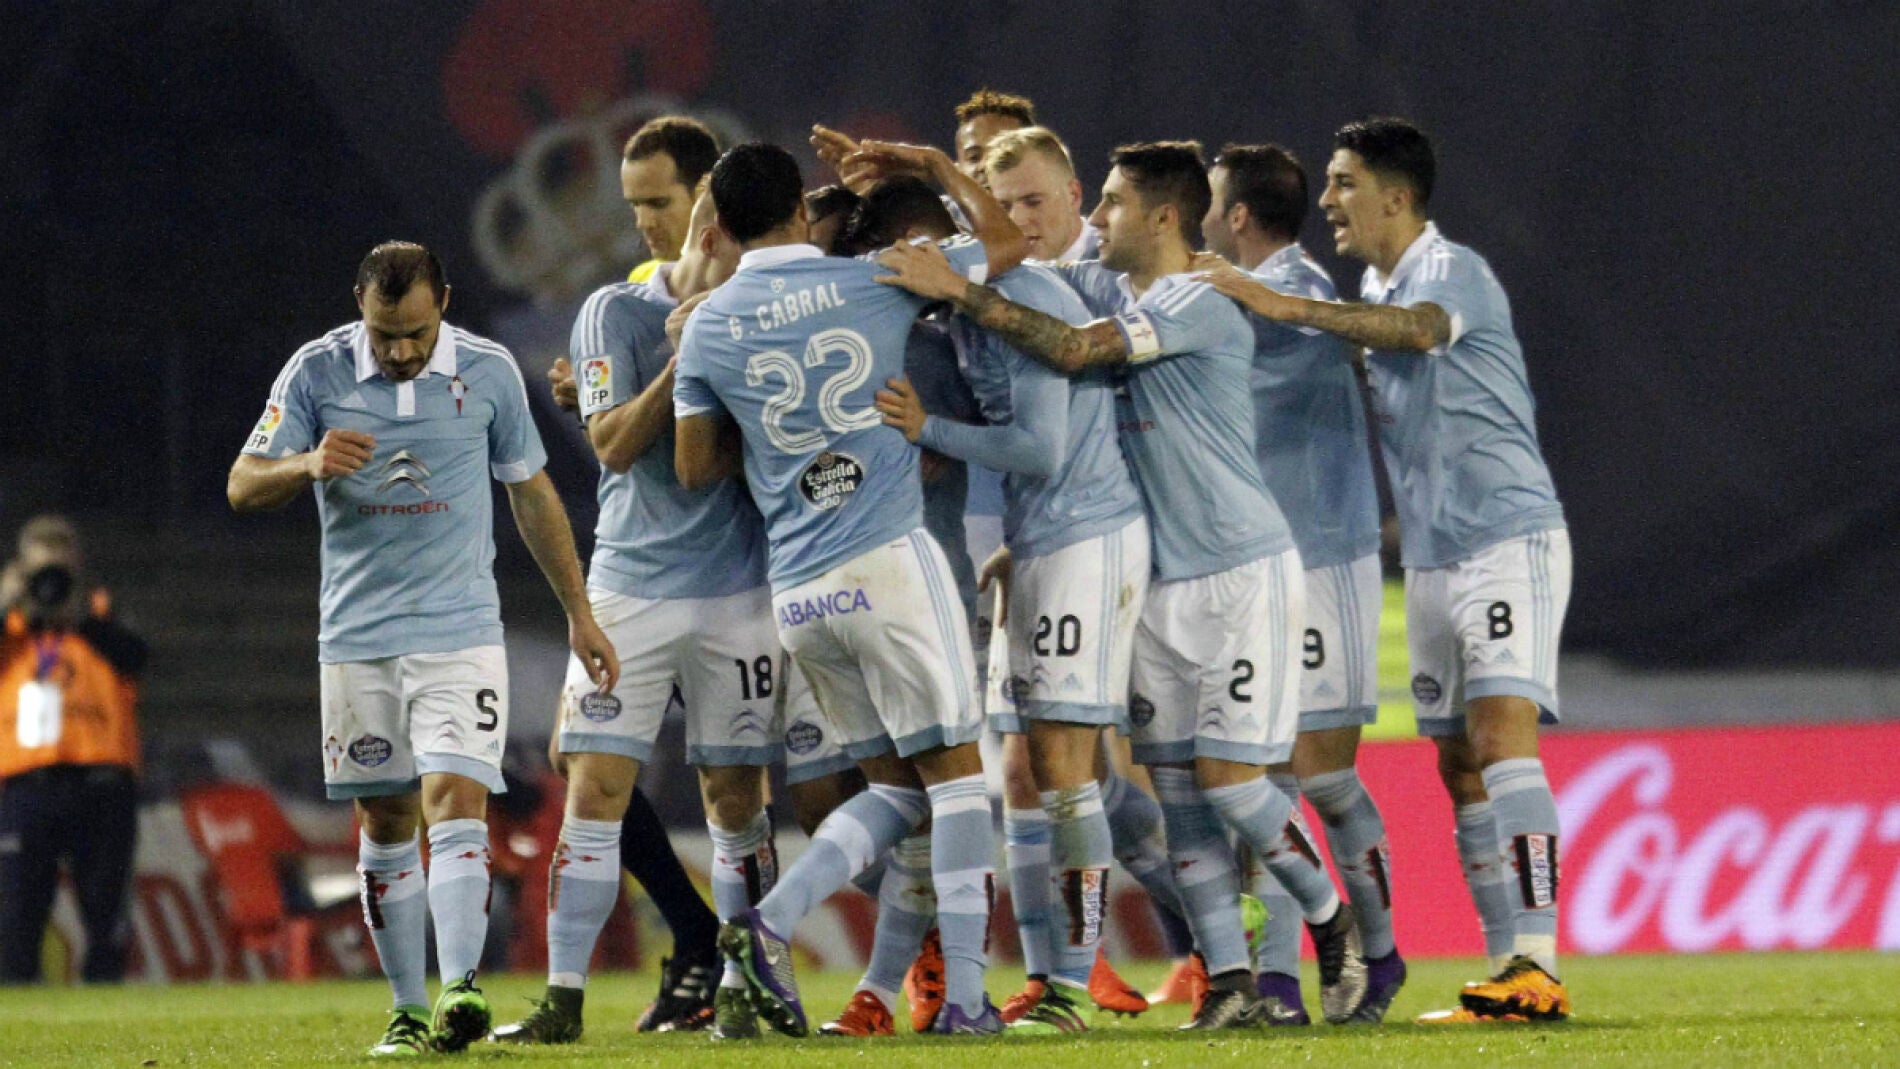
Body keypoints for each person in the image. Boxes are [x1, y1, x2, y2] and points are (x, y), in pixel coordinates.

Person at [875, 141, 1373, 1029]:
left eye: (1110, 203)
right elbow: (1036, 276)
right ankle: (1226, 981)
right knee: (1180, 798)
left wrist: (963, 294)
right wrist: (944, 185)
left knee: (1231, 784)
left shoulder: (1196, 300)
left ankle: (1332, 920)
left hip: (1242, 572)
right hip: (1162, 581)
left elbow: (1067, 349)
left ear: (1165, 217)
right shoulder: (1123, 287)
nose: (1096, 218)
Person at [1196, 117, 1571, 1024]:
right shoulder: (1373, 282)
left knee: (1499, 736)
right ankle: (1501, 969)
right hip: (1438, 553)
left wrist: (1285, 306)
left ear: (1396, 197)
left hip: (1507, 537)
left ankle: (1539, 960)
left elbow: (1417, 332)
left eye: (1343, 181)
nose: (1328, 200)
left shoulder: (1449, 272)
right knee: (1457, 763)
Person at [227, 241, 618, 1058]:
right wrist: (306, 461)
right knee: (387, 814)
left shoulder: (489, 371)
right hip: (358, 639)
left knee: (456, 798)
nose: (400, 351)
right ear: (360, 308)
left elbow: (532, 491)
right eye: (383, 334)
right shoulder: (317, 372)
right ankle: (406, 1009)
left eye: (412, 333)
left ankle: (460, 989)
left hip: (460, 631)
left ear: (441, 299)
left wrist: (578, 612)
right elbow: (242, 482)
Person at [672, 141, 1024, 1037]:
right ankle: (968, 1003)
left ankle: (769, 919)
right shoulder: (875, 279)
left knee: (897, 791)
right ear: (799, 207)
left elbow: (694, 465)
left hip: (800, 588)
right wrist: (936, 164)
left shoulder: (708, 324)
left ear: (717, 225)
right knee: (952, 782)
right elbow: (1006, 243)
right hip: (889, 562)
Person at [862, 175, 1156, 1034]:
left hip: (1084, 538)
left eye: (1035, 202)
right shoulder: (960, 318)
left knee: (1067, 770)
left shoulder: (1024, 294)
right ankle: (1060, 974)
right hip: (1032, 547)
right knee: (1035, 773)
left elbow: (1036, 445)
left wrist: (927, 431)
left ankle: (1075, 982)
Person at [494, 188, 772, 1046]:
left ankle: (739, 981)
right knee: (591, 784)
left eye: (654, 199)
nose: (641, 220)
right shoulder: (616, 309)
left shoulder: (762, 314)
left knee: (734, 797)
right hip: (632, 589)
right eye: (632, 200)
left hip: (739, 589)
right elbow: (611, 442)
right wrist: (675, 364)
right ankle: (563, 997)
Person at [1199, 142, 1406, 1023]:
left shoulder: (1303, 293)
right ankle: (1281, 977)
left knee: (1315, 779)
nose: (1207, 214)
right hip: (1257, 566)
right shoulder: (1232, 295)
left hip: (1325, 558)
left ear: (1238, 214)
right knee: (1265, 783)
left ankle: (1379, 953)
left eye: (1213, 199)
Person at [0, 516, 146, 985]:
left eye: (58, 571)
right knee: (16, 916)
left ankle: (107, 1018)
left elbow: (136, 656)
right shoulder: (11, 624)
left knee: (106, 915)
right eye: (40, 573)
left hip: (101, 781)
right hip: (25, 784)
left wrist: (80, 615)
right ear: (20, 569)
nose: (50, 584)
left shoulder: (99, 611)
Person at [622, 117, 721, 283]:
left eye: (658, 204)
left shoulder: (763, 271)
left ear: (706, 193)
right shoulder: (642, 282)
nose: (643, 223)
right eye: (635, 205)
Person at [983, 126, 1101, 262]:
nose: (1017, 220)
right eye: (1004, 208)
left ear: (1073, 196)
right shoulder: (994, 274)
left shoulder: (1122, 267)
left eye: (1033, 202)